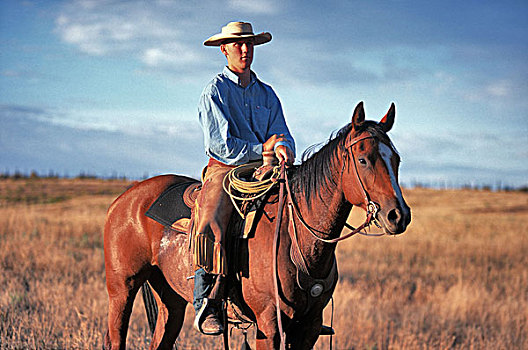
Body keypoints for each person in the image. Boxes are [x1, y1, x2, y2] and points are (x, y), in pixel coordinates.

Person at [193, 21, 296, 335]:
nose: (244, 49)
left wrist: (283, 149)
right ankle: (206, 297)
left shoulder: (267, 94)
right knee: (211, 215)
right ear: (224, 49)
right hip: (224, 169)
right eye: (237, 44)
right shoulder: (216, 90)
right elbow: (220, 145)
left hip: (266, 168)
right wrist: (260, 149)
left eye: (249, 44)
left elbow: (283, 135)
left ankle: (300, 290)